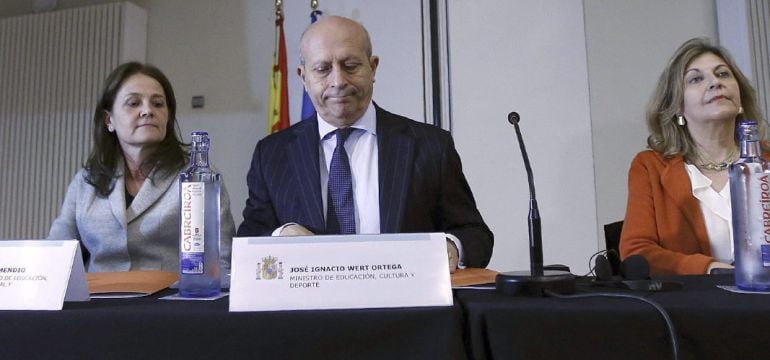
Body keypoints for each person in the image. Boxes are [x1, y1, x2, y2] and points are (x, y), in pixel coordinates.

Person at [237, 16, 493, 271]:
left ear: (373, 68)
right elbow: (248, 240)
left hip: (404, 307)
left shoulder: (430, 146)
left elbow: (474, 233)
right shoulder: (271, 154)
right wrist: (280, 236)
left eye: (350, 66)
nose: (338, 81)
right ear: (303, 77)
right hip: (307, 308)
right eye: (323, 69)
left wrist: (451, 247)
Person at [48, 62, 235, 273]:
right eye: (133, 103)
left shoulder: (199, 176)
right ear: (109, 120)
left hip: (170, 301)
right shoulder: (87, 180)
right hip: (98, 300)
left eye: (158, 104)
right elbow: (57, 251)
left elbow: (222, 260)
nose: (147, 111)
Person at [620, 37, 768, 275]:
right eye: (696, 79)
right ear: (678, 106)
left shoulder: (765, 162)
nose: (715, 83)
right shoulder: (650, 167)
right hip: (694, 306)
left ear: (740, 99)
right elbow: (637, 251)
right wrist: (709, 268)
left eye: (723, 74)